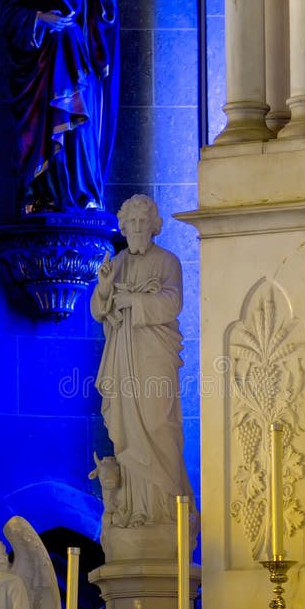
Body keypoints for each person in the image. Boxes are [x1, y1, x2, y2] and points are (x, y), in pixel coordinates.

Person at [90, 195, 195, 528]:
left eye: (142, 222)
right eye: (131, 223)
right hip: (123, 358)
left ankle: (165, 512)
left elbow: (172, 303)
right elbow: (98, 310)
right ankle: (134, 510)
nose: (136, 228)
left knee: (157, 426)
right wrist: (105, 287)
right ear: (123, 226)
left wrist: (132, 300)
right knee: (127, 434)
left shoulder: (168, 262)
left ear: (154, 226)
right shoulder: (116, 263)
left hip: (154, 357)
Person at [1, 0, 119, 214]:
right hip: (43, 76)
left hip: (79, 74)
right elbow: (6, 15)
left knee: (79, 133)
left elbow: (102, 29)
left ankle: (83, 194)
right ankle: (42, 196)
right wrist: (40, 19)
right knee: (46, 133)